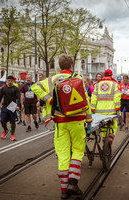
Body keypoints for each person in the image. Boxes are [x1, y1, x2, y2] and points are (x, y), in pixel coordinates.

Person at [31, 54, 92, 199]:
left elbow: (35, 86)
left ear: (59, 66)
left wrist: (50, 99)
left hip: (60, 122)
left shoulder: (51, 80)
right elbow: (85, 101)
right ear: (71, 66)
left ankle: (64, 190)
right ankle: (72, 182)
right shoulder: (78, 79)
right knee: (77, 150)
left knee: (63, 154)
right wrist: (89, 121)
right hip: (77, 120)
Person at [91, 69, 121, 144]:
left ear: (104, 75)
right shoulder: (114, 84)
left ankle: (105, 143)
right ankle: (108, 143)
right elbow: (117, 98)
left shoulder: (97, 85)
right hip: (111, 111)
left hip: (99, 112)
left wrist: (92, 109)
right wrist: (117, 110)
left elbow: (94, 98)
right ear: (111, 75)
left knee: (103, 128)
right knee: (113, 127)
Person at [0, 76, 20, 141]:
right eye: (9, 80)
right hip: (5, 106)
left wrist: (18, 105)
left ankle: (12, 135)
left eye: (11, 80)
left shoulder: (16, 89)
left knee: (12, 121)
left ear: (13, 81)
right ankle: (6, 130)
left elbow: (18, 98)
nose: (10, 82)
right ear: (7, 81)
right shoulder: (3, 88)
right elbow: (0, 97)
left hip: (12, 106)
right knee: (2, 120)